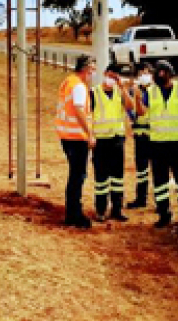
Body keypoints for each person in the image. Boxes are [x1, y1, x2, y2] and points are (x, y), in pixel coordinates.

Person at [136, 61, 178, 228]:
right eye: (157, 73)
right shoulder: (150, 91)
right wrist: (136, 95)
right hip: (157, 143)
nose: (159, 75)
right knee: (160, 181)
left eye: (162, 72)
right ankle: (164, 213)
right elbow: (142, 112)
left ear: (170, 74)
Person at [90, 63, 137, 221]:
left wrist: (122, 88)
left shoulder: (120, 92)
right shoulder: (94, 93)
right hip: (101, 140)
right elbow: (88, 116)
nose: (112, 79)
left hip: (117, 139)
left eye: (115, 76)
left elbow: (131, 106)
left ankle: (117, 209)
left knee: (118, 177)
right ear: (104, 74)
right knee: (101, 177)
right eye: (110, 75)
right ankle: (101, 210)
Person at [55, 55, 96, 228]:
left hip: (66, 135)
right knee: (77, 176)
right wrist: (90, 133)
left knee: (75, 175)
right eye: (92, 69)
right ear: (86, 69)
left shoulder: (68, 82)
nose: (93, 72)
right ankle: (74, 214)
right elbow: (79, 110)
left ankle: (72, 212)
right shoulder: (78, 86)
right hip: (76, 137)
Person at [126, 62, 154, 209]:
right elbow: (133, 113)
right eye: (141, 73)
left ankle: (160, 202)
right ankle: (141, 198)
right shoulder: (132, 92)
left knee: (157, 169)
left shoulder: (155, 91)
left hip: (155, 135)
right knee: (141, 169)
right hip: (140, 136)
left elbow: (145, 111)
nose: (144, 75)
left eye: (147, 72)